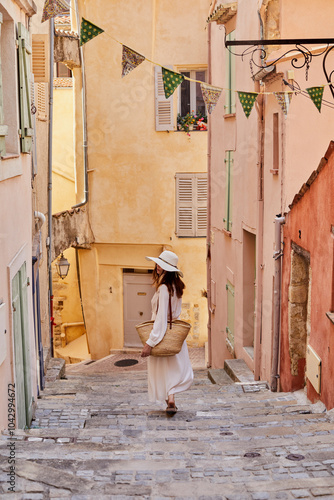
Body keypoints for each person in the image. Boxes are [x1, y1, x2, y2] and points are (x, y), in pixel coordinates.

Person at [141, 250, 193, 414]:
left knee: (162, 369)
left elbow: (161, 318)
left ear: (167, 269)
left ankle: (169, 400)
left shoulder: (164, 288)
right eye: (157, 263)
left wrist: (150, 342)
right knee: (171, 368)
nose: (157, 266)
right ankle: (171, 399)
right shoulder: (176, 287)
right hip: (174, 336)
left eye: (161, 265)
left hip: (162, 334)